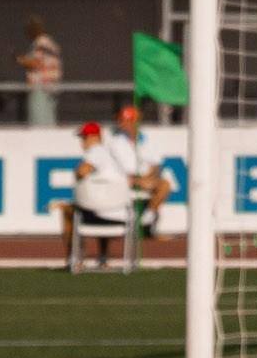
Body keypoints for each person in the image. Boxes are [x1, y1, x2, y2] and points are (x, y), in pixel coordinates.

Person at [61, 121, 133, 268]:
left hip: (103, 214)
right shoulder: (112, 154)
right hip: (121, 214)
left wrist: (78, 174)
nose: (82, 142)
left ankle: (75, 258)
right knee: (101, 205)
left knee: (68, 210)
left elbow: (82, 171)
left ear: (95, 137)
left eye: (85, 137)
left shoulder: (96, 151)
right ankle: (103, 258)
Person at [103, 104, 172, 236]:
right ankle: (141, 221)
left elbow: (155, 165)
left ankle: (148, 217)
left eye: (125, 120)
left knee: (165, 185)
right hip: (125, 180)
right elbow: (115, 168)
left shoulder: (147, 141)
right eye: (121, 120)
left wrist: (145, 179)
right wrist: (137, 180)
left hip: (144, 179)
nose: (122, 124)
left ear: (134, 122)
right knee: (129, 181)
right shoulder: (114, 142)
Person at [16, 15, 63, 128]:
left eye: (28, 28)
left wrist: (18, 59)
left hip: (41, 87)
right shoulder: (50, 41)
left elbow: (35, 63)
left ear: (35, 28)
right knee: (48, 122)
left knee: (38, 124)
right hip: (51, 87)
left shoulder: (40, 42)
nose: (26, 32)